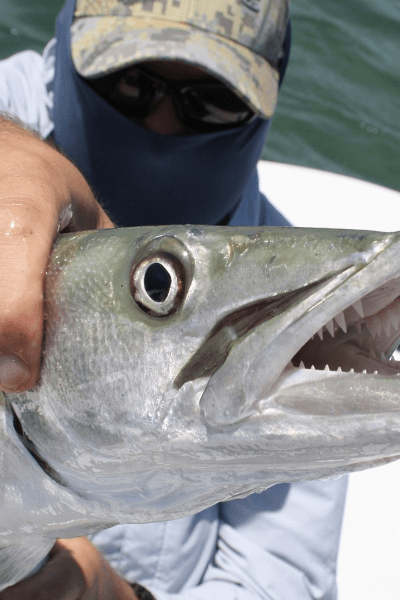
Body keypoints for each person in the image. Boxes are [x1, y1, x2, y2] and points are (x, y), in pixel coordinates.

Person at [0, 0, 347, 598]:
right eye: (130, 84)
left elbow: (279, 579)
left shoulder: (284, 298)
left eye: (210, 102)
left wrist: (103, 590)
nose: (160, 126)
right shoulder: (18, 105)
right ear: (67, 58)